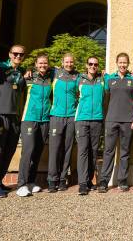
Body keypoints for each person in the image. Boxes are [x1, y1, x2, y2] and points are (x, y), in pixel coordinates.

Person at [0, 45, 27, 198]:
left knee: (9, 151)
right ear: (10, 54)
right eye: (15, 54)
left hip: (15, 117)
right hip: (0, 115)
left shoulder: (22, 72)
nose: (18, 56)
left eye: (21, 54)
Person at [98, 53, 133, 193]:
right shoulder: (109, 79)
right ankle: (104, 181)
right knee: (108, 151)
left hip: (128, 121)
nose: (122, 65)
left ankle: (122, 181)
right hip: (111, 120)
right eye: (120, 62)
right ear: (116, 63)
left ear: (128, 64)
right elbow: (104, 99)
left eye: (125, 62)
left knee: (124, 152)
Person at [16, 53, 53, 197]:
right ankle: (21, 184)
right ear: (36, 65)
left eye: (45, 63)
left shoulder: (50, 78)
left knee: (38, 151)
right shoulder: (29, 77)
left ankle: (31, 182)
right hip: (29, 118)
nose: (43, 65)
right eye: (40, 63)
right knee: (28, 151)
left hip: (45, 119)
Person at [47, 53, 80, 192]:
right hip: (56, 116)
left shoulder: (78, 76)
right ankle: (52, 179)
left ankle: (62, 178)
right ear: (62, 62)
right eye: (66, 62)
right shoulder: (54, 73)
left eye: (71, 62)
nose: (69, 64)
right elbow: (39, 68)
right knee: (54, 149)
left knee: (67, 149)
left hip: (71, 117)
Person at [75, 56, 105, 195]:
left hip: (97, 119)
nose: (93, 66)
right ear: (86, 65)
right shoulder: (78, 79)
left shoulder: (102, 79)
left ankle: (89, 181)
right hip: (81, 119)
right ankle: (82, 184)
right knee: (83, 151)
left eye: (95, 64)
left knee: (93, 151)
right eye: (91, 64)